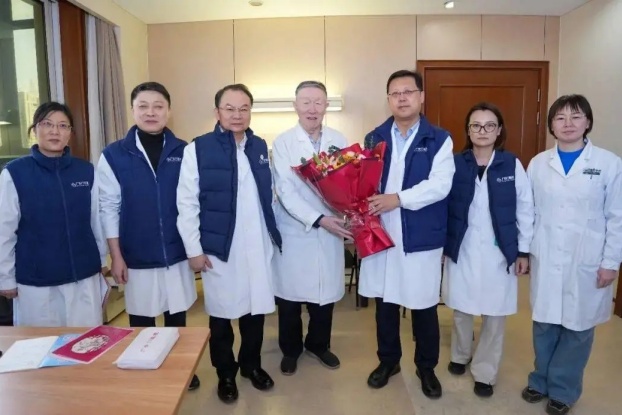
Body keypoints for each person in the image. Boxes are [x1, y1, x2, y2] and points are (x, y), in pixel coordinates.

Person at [176, 83, 282, 404]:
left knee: (255, 313)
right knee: (222, 315)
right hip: (220, 247)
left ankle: (251, 365)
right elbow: (186, 203)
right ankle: (225, 373)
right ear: (217, 112)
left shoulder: (259, 146)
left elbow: (269, 195)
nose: (237, 115)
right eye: (230, 109)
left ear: (250, 111)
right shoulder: (198, 148)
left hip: (257, 244)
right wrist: (194, 249)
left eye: (243, 109)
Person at [521, 94, 622, 415]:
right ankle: (540, 380)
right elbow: (528, 212)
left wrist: (611, 262)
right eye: (560, 118)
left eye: (576, 117)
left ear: (587, 122)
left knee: (578, 329)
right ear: (551, 124)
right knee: (544, 324)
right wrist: (524, 251)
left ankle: (563, 390)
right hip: (546, 255)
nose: (568, 124)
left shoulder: (608, 163)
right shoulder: (538, 163)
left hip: (587, 259)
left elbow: (617, 217)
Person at [97, 82, 200, 390]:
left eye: (158, 106)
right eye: (143, 106)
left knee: (176, 316)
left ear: (169, 111)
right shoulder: (114, 155)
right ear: (133, 110)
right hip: (136, 254)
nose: (151, 112)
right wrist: (116, 255)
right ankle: (143, 368)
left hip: (176, 252)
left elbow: (194, 201)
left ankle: (181, 368)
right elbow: (108, 208)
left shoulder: (184, 150)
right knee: (141, 318)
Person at [359, 69, 455, 398]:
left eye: (408, 92)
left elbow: (440, 185)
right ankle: (388, 361)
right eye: (395, 93)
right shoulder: (373, 138)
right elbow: (362, 181)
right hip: (381, 233)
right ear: (388, 99)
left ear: (421, 97)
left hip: (420, 235)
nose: (402, 98)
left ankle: (426, 368)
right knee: (385, 303)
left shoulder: (439, 139)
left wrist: (398, 199)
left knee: (423, 305)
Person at [442, 102, 534, 398]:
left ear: (499, 130)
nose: (483, 131)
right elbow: (442, 205)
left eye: (490, 125)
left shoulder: (511, 164)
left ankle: (485, 372)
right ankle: (460, 354)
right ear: (468, 131)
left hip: (500, 251)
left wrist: (523, 251)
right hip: (463, 246)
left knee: (495, 314)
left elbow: (525, 209)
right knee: (462, 307)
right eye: (476, 125)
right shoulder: (455, 163)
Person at [0, 102, 108, 326]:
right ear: (35, 129)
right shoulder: (15, 173)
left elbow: (96, 221)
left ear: (70, 133)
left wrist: (101, 260)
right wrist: (5, 277)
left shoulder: (86, 171)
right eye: (47, 124)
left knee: (86, 340)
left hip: (83, 276)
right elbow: (4, 229)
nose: (55, 131)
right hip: (37, 282)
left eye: (62, 125)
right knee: (41, 343)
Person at [271, 80, 351, 376]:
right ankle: (290, 350)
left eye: (318, 102)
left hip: (331, 230)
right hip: (296, 230)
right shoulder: (283, 142)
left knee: (324, 296)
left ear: (327, 105)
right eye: (306, 102)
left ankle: (319, 345)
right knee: (290, 299)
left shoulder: (338, 139)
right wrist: (318, 219)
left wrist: (347, 211)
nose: (312, 108)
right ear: (295, 106)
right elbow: (285, 190)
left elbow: (348, 182)